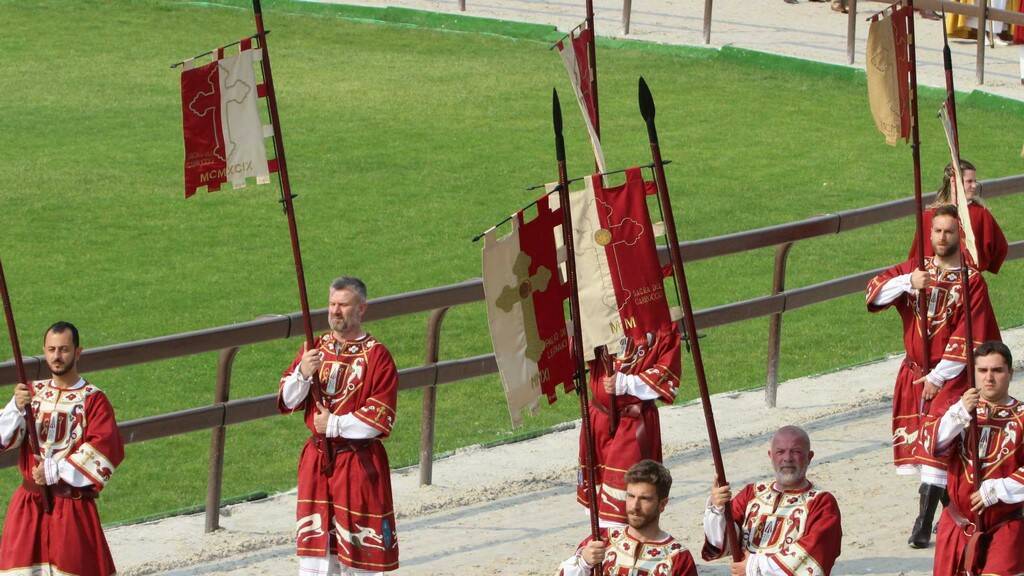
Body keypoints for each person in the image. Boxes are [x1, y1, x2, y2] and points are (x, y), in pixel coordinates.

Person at [867, 204, 1001, 548]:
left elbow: (968, 337)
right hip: (913, 373)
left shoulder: (972, 282)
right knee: (926, 448)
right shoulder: (916, 270)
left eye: (950, 232)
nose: (943, 238)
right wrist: (906, 282)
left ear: (960, 236)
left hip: (950, 376)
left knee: (938, 441)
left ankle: (923, 522)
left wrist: (939, 377)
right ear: (930, 234)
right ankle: (950, 512)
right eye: (938, 231)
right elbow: (874, 292)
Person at [278, 276, 399, 575]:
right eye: (332, 304)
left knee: (358, 554)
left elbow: (379, 416)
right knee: (317, 553)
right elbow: (287, 399)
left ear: (361, 309)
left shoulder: (377, 356)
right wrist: (304, 373)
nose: (335, 311)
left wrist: (333, 424)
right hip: (318, 464)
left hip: (357, 465)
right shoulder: (314, 347)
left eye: (343, 305)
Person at [0, 321, 124, 576]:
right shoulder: (31, 393)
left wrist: (56, 470)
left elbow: (106, 448)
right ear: (45, 351)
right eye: (51, 349)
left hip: (72, 507)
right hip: (29, 506)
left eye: (64, 349)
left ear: (78, 352)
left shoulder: (94, 399)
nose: (57, 356)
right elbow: (3, 438)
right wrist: (14, 406)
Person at [925, 341, 1024, 575]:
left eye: (997, 370)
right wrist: (959, 414)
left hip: (1005, 527)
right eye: (982, 371)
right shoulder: (958, 410)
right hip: (957, 526)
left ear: (1010, 373)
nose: (989, 378)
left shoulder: (1021, 416)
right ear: (974, 373)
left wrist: (999, 489)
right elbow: (932, 444)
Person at [702, 425, 843, 576]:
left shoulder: (822, 503)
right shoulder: (751, 494)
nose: (787, 459)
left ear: (809, 457)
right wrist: (718, 509)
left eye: (795, 452)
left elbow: (812, 557)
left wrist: (752, 566)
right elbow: (724, 543)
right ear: (771, 455)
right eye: (780, 452)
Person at [577, 328, 681, 527]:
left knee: (626, 505)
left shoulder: (659, 322)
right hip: (598, 420)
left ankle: (623, 551)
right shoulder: (597, 316)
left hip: (633, 423)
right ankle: (605, 552)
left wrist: (627, 383)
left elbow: (669, 372)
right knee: (596, 505)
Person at [558, 459, 697, 576]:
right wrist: (584, 562)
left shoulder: (678, 557)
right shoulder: (602, 539)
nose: (635, 506)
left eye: (644, 499)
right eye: (631, 496)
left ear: (662, 504)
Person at [908, 160, 1008, 274]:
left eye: (975, 181)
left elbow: (1000, 246)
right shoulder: (929, 216)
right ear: (954, 181)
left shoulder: (981, 214)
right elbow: (918, 256)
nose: (974, 186)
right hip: (933, 282)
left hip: (969, 282)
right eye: (969, 181)